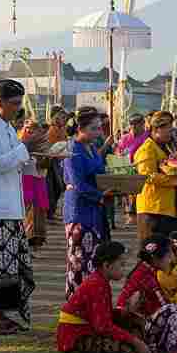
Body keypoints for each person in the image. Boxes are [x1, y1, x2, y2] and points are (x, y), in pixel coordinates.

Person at [0, 81, 43, 332]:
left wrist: (35, 157)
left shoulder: (7, 127)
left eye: (19, 103)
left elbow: (16, 161)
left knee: (8, 264)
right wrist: (26, 148)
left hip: (11, 205)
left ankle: (0, 315)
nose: (17, 108)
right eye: (14, 103)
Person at [57, 241, 149, 353]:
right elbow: (102, 326)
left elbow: (103, 315)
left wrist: (126, 310)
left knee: (134, 322)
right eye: (121, 264)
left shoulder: (101, 282)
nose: (124, 269)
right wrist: (135, 341)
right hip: (75, 338)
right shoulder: (97, 285)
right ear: (106, 265)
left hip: (87, 329)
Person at [63, 109, 113, 300]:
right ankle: (76, 303)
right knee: (79, 259)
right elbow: (78, 183)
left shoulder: (91, 148)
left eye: (99, 128)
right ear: (79, 129)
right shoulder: (73, 150)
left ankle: (90, 302)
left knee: (93, 259)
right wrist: (100, 195)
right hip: (79, 210)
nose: (98, 132)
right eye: (93, 128)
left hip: (95, 209)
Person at [133, 111, 177, 243]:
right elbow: (148, 176)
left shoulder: (166, 147)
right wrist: (174, 180)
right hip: (153, 210)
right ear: (156, 129)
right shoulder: (146, 149)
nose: (171, 132)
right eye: (168, 128)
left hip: (167, 208)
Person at [19, 117, 50, 250]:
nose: (30, 132)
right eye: (27, 129)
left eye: (33, 130)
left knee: (39, 211)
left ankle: (37, 241)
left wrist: (43, 158)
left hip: (39, 179)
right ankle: (27, 241)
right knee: (28, 211)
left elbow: (46, 163)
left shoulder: (44, 143)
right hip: (26, 179)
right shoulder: (20, 143)